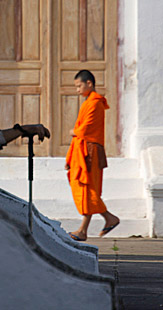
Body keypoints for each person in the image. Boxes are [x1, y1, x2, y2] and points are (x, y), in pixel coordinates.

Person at [65, 70, 120, 241]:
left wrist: (74, 131)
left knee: (88, 188)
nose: (77, 90)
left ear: (89, 83)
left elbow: (87, 128)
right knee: (86, 188)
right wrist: (70, 157)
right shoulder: (89, 102)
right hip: (83, 150)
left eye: (79, 86)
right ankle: (102, 221)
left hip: (90, 151)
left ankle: (86, 228)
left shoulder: (95, 103)